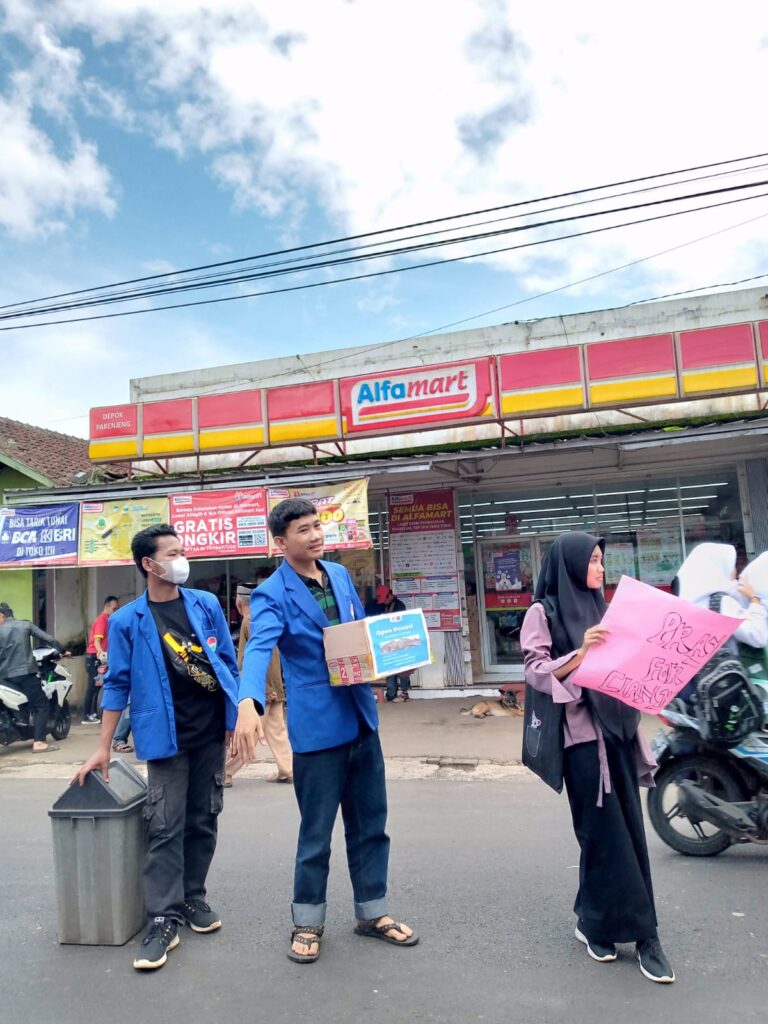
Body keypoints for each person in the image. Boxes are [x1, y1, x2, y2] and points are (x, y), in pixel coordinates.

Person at [235, 498, 417, 964]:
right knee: (316, 833)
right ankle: (308, 922)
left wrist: (393, 647)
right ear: (281, 542)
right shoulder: (270, 593)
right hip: (316, 726)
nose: (316, 535)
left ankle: (372, 913)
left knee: (371, 825)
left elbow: (356, 631)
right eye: (303, 530)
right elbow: (259, 649)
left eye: (318, 526)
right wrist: (247, 701)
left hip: (361, 716)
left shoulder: (337, 575)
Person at [72, 524, 248, 972]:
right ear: (149, 565)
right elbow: (117, 683)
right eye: (172, 553)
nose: (181, 559)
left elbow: (227, 664)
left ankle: (193, 898)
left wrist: (235, 718)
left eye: (181, 550)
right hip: (164, 738)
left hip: (210, 732)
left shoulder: (205, 605)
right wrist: (103, 747)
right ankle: (163, 919)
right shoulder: (128, 620)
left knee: (204, 817)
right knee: (165, 827)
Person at [520, 532, 675, 984]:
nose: (601, 569)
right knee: (602, 835)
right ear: (569, 566)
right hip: (582, 742)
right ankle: (646, 936)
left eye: (602, 561)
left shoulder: (608, 611)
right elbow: (534, 671)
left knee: (627, 832)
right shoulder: (542, 612)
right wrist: (581, 652)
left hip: (622, 733)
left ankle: (592, 921)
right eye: (593, 561)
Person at [224, 582, 292, 786]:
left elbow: (265, 658)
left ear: (238, 602)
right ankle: (287, 770)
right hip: (272, 687)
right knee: (277, 731)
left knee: (249, 732)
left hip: (261, 689)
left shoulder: (251, 621)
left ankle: (224, 772)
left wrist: (266, 689)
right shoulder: (260, 618)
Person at [0, 601, 67, 753]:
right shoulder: (25, 625)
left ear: (1, 615)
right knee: (42, 705)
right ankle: (39, 743)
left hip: (4, 677)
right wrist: (63, 650)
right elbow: (49, 639)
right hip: (25, 675)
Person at [366, 585, 411, 701]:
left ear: (390, 595)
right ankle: (391, 694)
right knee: (390, 668)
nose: (383, 602)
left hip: (399, 641)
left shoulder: (400, 606)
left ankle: (405, 692)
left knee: (402, 670)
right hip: (387, 643)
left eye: (385, 599)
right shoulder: (381, 606)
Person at [82, 596, 119, 724]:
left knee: (97, 687)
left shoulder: (108, 620)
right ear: (107, 607)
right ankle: (86, 715)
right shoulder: (102, 620)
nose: (115, 611)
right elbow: (97, 639)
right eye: (114, 609)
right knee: (92, 687)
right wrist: (100, 653)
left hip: (98, 657)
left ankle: (93, 714)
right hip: (94, 657)